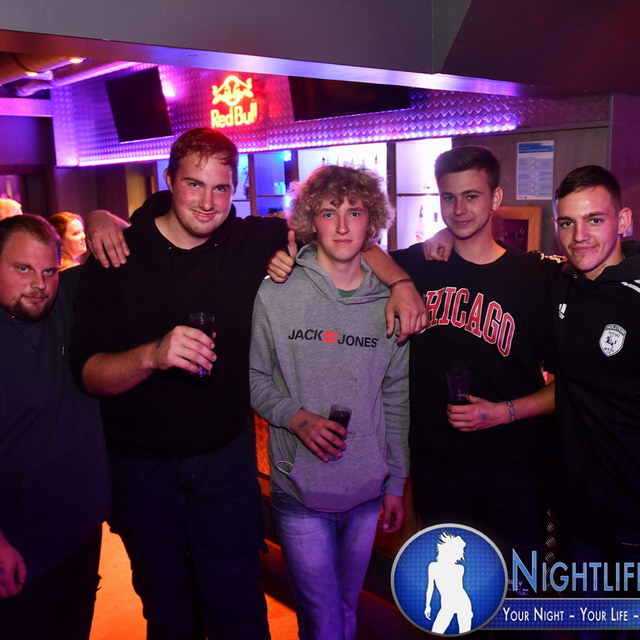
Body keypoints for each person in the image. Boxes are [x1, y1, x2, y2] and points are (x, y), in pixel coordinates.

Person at [70, 126, 423, 640]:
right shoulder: (119, 255)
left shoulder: (251, 239)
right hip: (142, 468)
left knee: (238, 605)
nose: (208, 202)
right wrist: (152, 354)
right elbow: (88, 373)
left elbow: (347, 236)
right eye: (194, 184)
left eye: (221, 187)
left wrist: (402, 283)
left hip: (223, 460)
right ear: (168, 181)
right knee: (168, 609)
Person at [250, 165, 409, 640]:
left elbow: (396, 397)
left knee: (345, 609)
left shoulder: (390, 301)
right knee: (322, 620)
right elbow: (254, 379)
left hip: (366, 490)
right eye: (328, 212)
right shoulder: (276, 292)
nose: (342, 226)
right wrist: (297, 418)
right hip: (300, 490)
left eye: (354, 212)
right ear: (310, 222)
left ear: (371, 221)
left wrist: (396, 481)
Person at [390, 146, 556, 561]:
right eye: (449, 197)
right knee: (458, 592)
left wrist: (504, 412)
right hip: (439, 466)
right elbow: (359, 249)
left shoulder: (534, 280)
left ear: (496, 198)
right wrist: (401, 283)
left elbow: (570, 386)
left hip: (515, 468)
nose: (459, 209)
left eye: (471, 196)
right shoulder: (421, 265)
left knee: (520, 590)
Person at [0, 214, 109, 640]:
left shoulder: (66, 300)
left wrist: (100, 218)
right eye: (22, 268)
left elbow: (145, 238)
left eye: (49, 270)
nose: (39, 284)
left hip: (79, 529)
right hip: (18, 545)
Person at [552, 166, 640, 603]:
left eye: (595, 220)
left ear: (622, 221)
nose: (579, 236)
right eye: (568, 222)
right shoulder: (561, 283)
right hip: (578, 513)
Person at [424, 532, 473, 634]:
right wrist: (427, 605)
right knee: (436, 631)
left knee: (465, 632)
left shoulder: (460, 568)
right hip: (447, 605)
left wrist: (468, 611)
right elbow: (430, 587)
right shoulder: (433, 566)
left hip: (463, 603)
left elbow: (459, 588)